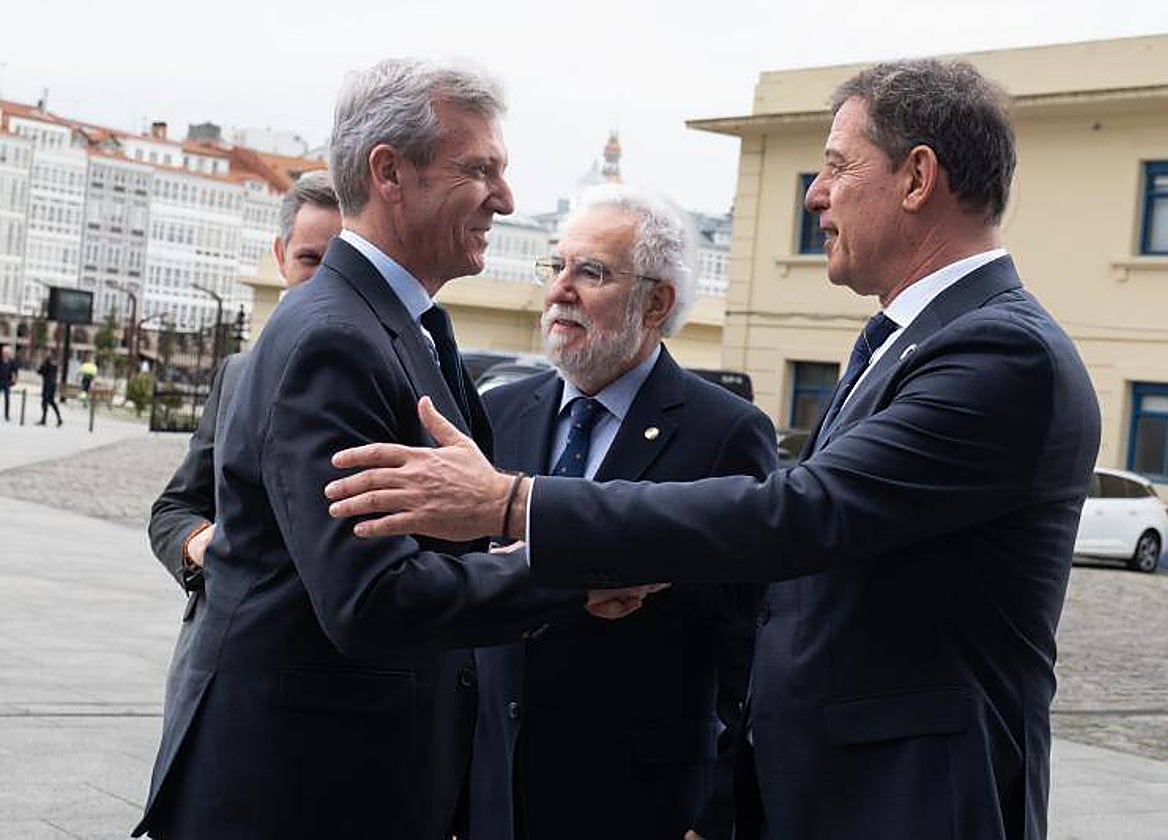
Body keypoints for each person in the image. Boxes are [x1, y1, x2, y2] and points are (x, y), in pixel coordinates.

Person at [326, 58, 1103, 840]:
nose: (817, 194)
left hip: (914, 800)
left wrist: (513, 503)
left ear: (918, 178)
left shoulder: (1002, 353)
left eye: (838, 166)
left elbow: (804, 514)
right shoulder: (918, 340)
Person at [135, 59, 596, 840]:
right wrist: (569, 571)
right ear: (390, 173)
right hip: (301, 794)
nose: (506, 198)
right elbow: (371, 597)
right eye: (479, 169)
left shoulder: (398, 325)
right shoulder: (336, 340)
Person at [469, 185, 775, 840]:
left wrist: (716, 813)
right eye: (556, 266)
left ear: (656, 302)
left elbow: (748, 643)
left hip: (642, 801)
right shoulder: (497, 413)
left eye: (591, 273)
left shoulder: (724, 433)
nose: (560, 291)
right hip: (496, 795)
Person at [146, 170, 342, 705]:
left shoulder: (400, 379)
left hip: (333, 694)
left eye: (339, 262)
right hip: (216, 680)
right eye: (309, 259)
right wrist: (198, 544)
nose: (322, 280)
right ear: (280, 256)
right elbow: (173, 508)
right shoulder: (238, 375)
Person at [35, 353, 62, 427]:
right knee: (51, 402)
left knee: (45, 402)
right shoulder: (55, 365)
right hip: (53, 385)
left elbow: (40, 371)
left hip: (47, 385)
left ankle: (44, 420)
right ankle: (58, 418)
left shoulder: (46, 364)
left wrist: (40, 366)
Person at [0, 346, 16, 421]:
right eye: (4, 352)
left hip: (7, 382)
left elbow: (15, 371)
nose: (5, 354)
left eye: (7, 353)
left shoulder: (11, 362)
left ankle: (6, 415)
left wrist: (14, 379)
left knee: (7, 399)